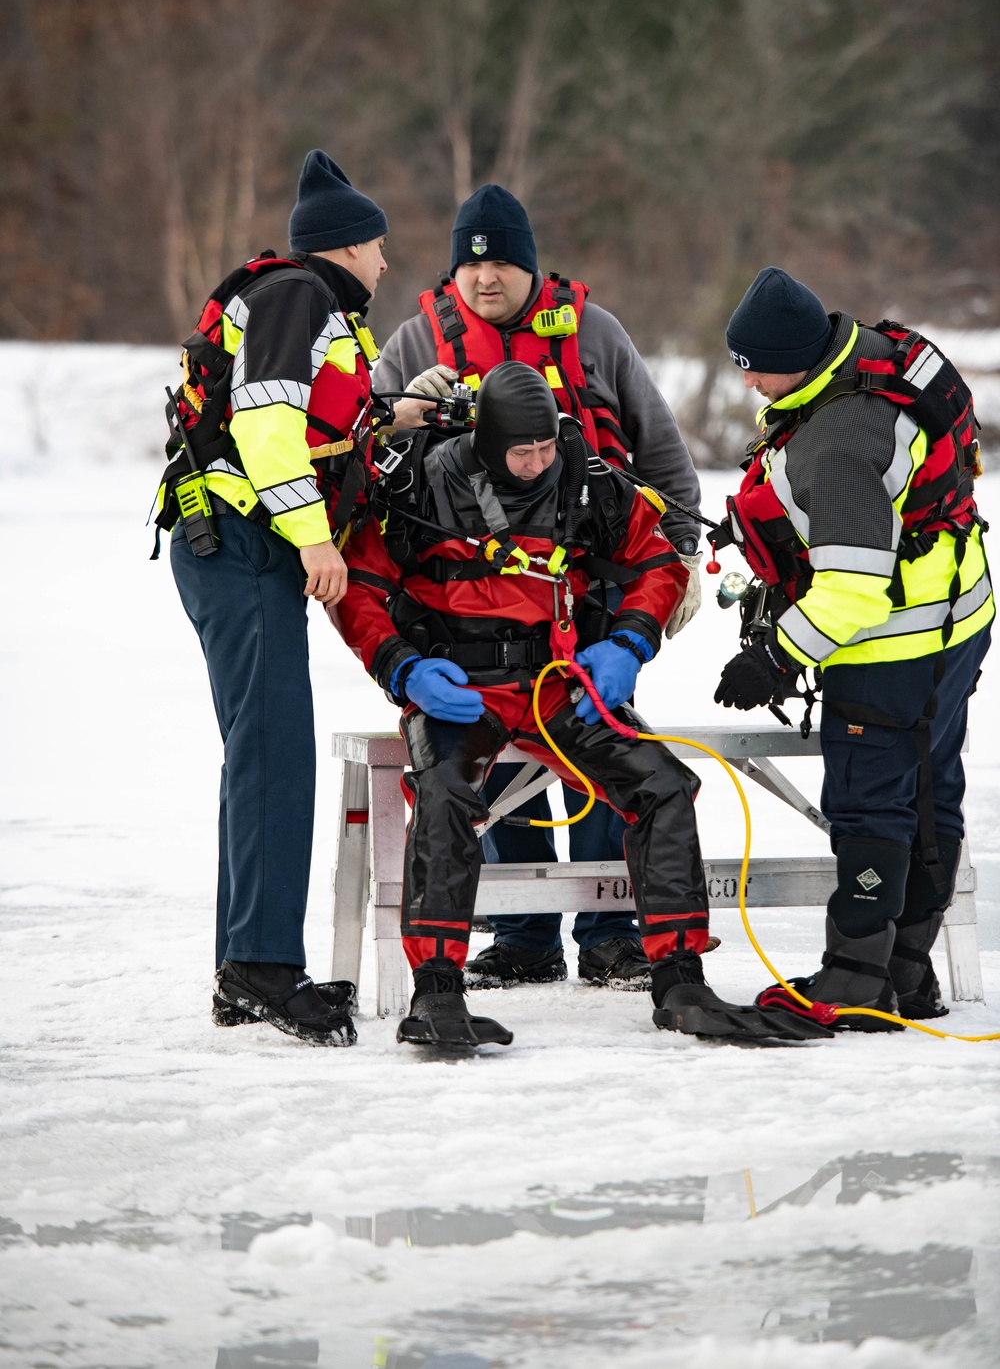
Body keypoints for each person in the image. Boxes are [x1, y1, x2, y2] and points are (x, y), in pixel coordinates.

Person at [330, 361, 823, 1047]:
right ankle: (437, 991)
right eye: (520, 451)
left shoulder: (586, 480)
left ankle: (679, 980)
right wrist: (400, 665)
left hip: (559, 683)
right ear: (486, 439)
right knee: (444, 795)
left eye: (544, 449)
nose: (536, 464)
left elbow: (657, 559)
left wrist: (629, 642)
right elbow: (357, 586)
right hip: (457, 688)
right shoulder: (417, 486)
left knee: (664, 786)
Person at [375, 183, 703, 992]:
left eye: (501, 263)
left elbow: (657, 442)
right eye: (471, 265)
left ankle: (610, 931)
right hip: (469, 592)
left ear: (528, 264)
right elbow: (364, 448)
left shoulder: (594, 332)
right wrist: (401, 418)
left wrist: (681, 552)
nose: (485, 279)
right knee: (493, 748)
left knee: (594, 737)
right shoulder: (419, 340)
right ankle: (524, 935)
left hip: (592, 570)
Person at [714, 267, 993, 1031]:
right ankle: (907, 971)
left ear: (794, 356)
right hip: (960, 614)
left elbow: (852, 590)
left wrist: (774, 655)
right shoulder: (880, 354)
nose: (750, 387)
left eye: (754, 369)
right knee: (930, 792)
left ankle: (856, 979)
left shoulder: (835, 440)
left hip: (893, 640)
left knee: (870, 803)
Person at [165, 149, 389, 1045]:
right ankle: (261, 966)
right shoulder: (301, 294)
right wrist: (316, 537)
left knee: (261, 754)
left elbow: (303, 416)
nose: (384, 265)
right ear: (352, 244)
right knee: (273, 755)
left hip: (230, 540)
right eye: (380, 249)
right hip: (245, 543)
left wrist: (401, 412)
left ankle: (242, 966)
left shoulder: (293, 300)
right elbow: (265, 421)